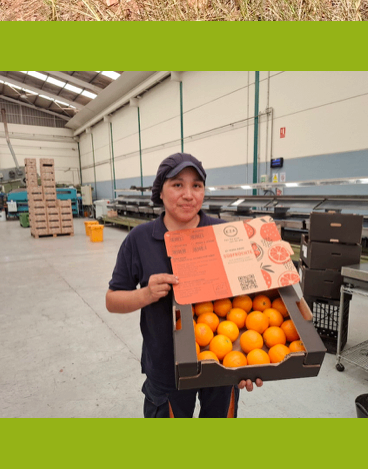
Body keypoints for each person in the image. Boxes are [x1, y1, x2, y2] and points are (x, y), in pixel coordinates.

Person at [106, 153, 266, 417]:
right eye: (177, 184)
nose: (189, 194)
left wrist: (249, 362)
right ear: (160, 191)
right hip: (165, 369)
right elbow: (112, 300)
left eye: (197, 185)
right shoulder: (140, 239)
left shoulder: (225, 235)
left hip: (222, 362)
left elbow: (251, 300)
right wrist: (146, 294)